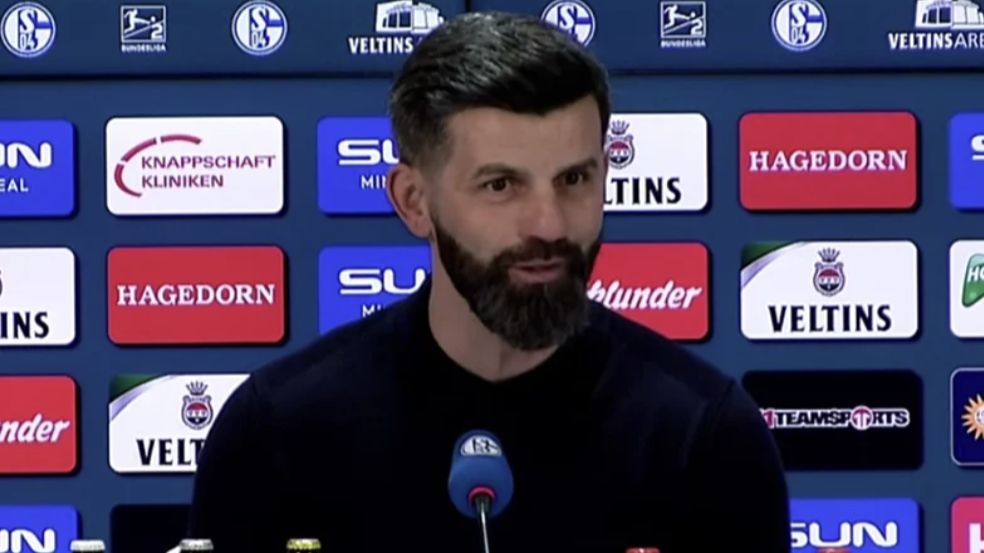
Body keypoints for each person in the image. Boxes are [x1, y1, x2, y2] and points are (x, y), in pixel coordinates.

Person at [187, 11, 791, 553]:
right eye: (501, 185)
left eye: (574, 179)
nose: (549, 224)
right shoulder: (277, 433)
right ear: (413, 201)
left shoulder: (705, 438)